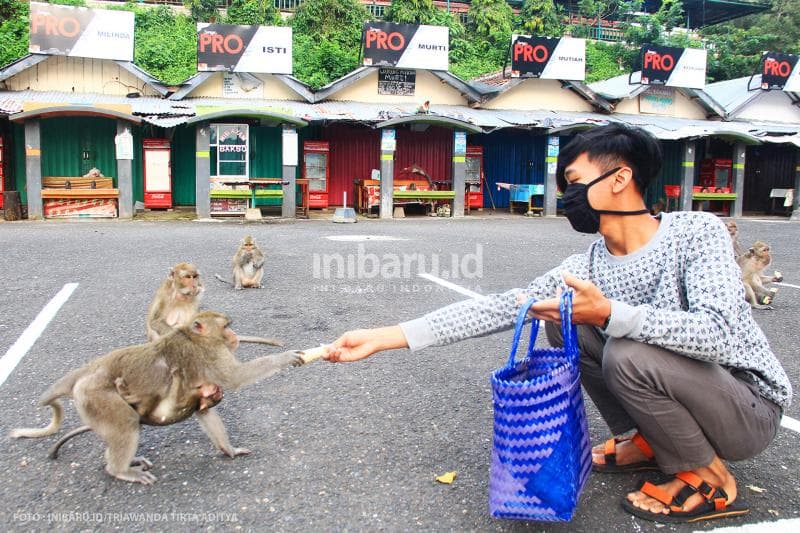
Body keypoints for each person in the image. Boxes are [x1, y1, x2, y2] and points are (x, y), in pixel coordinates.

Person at [322, 124, 792, 524]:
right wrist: (386, 337)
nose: (565, 195)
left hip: (746, 408)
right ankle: (647, 439)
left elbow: (718, 334)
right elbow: (508, 305)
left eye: (573, 180)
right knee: (565, 323)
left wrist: (611, 314)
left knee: (626, 350)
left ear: (619, 178)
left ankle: (710, 477)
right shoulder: (588, 262)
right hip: (685, 390)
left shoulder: (696, 232)